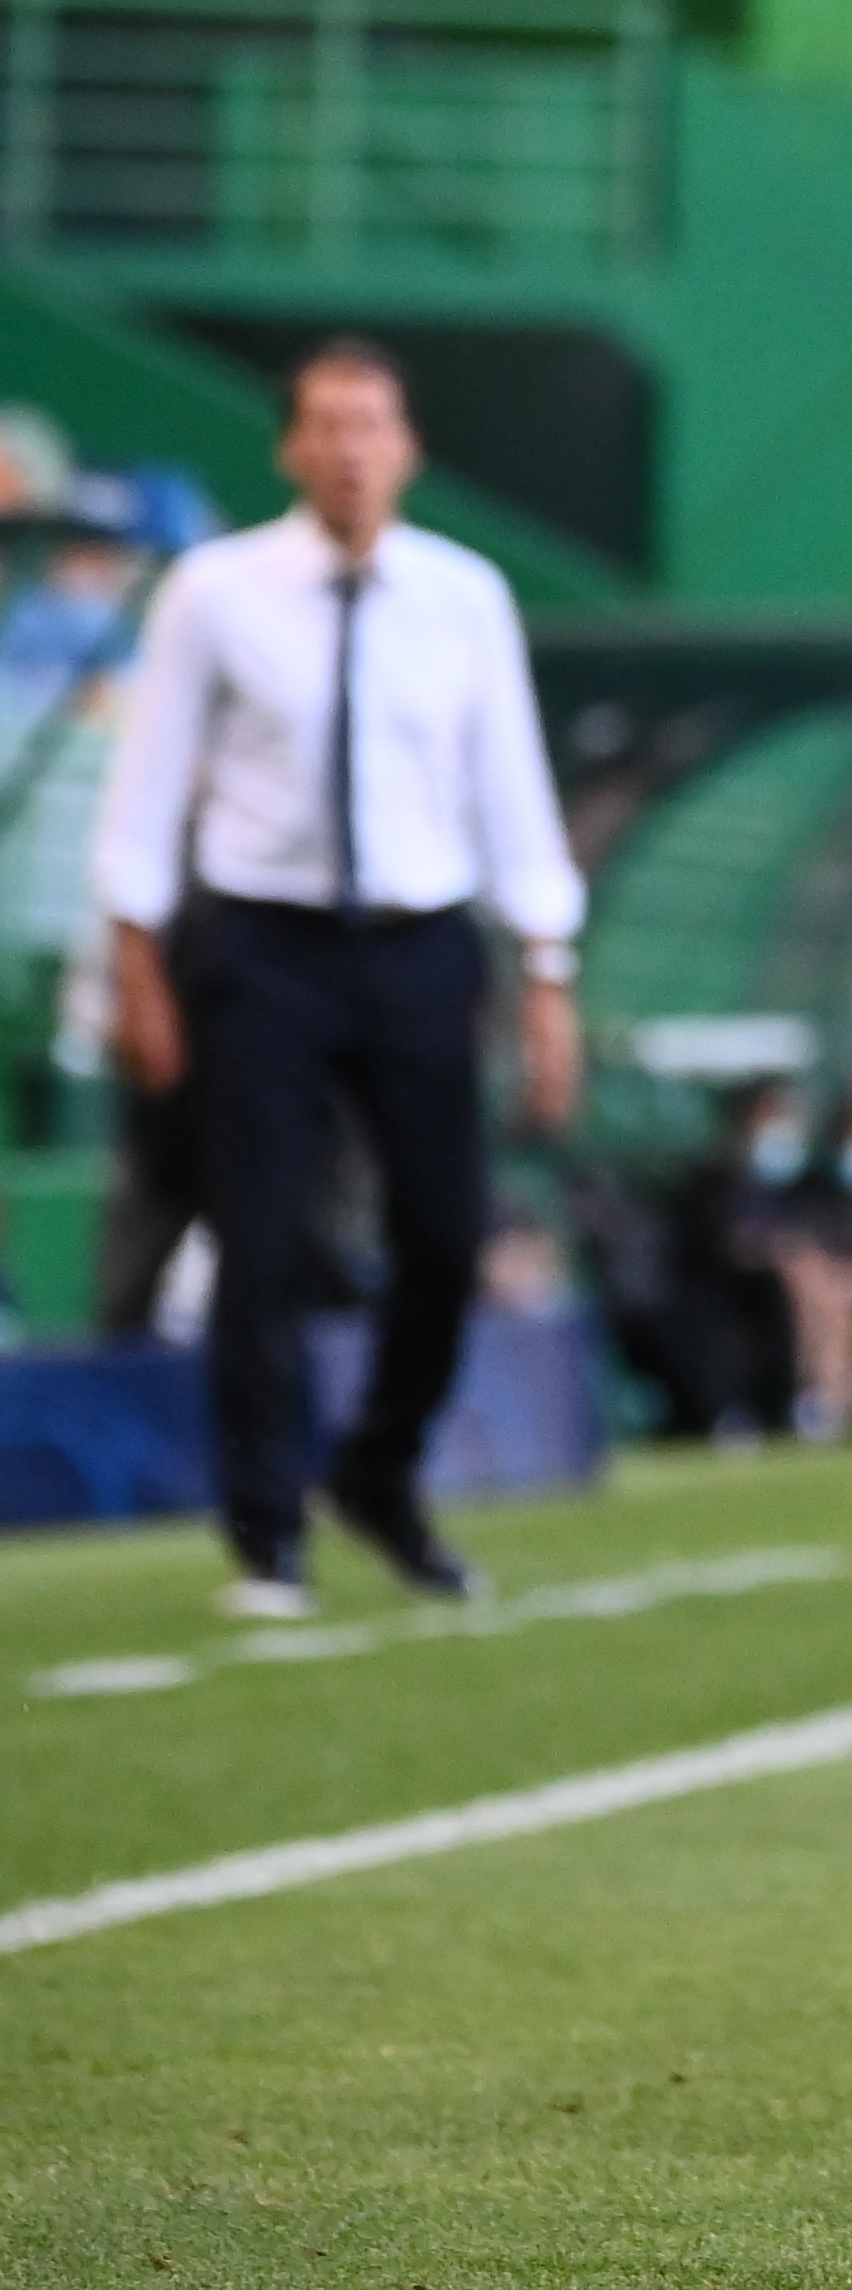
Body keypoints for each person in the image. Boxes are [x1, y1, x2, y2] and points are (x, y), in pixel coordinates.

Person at [90, 337, 587, 1618]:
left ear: (407, 446)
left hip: (418, 941)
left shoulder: (464, 597)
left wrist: (546, 965)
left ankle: (379, 1467)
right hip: (263, 942)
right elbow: (146, 783)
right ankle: (266, 1531)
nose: (350, 449)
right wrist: (137, 961)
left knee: (443, 1232)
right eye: (325, 425)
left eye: (372, 425)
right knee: (256, 1235)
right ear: (289, 448)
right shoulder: (215, 590)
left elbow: (510, 785)